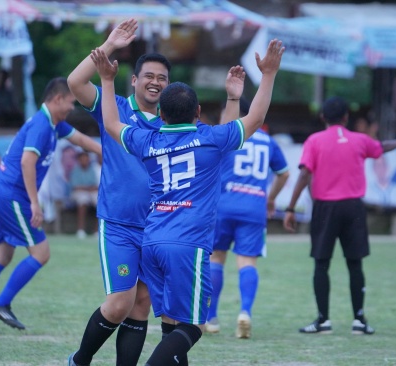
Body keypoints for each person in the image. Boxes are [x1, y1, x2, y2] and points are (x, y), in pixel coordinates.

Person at [90, 36, 284, 364]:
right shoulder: (209, 139)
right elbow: (254, 120)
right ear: (197, 112)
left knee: (172, 325)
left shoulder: (147, 140)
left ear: (161, 114)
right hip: (188, 245)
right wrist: (267, 75)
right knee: (193, 327)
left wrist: (107, 80)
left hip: (151, 242)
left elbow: (110, 123)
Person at [0, 77, 102, 333]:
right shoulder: (41, 126)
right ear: (57, 99)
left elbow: (79, 139)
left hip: (0, 194)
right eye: (70, 102)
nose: (71, 108)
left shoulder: (52, 123)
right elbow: (27, 162)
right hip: (13, 197)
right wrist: (35, 203)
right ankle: (1, 304)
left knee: (2, 255)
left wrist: (108, 151)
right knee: (41, 253)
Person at [66, 18, 168, 366]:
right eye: (149, 76)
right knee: (120, 302)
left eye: (162, 79)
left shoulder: (172, 124)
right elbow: (75, 82)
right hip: (119, 223)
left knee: (142, 303)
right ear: (135, 80)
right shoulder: (116, 106)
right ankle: (79, 360)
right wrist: (109, 45)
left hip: (156, 228)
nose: (155, 83)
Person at [283, 96, 396, 335]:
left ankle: (323, 320)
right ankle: (359, 320)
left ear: (323, 117)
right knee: (355, 264)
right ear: (346, 118)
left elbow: (304, 175)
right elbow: (381, 147)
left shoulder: (314, 141)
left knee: (321, 263)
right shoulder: (360, 140)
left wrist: (291, 208)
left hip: (326, 208)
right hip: (354, 207)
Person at [205, 97, 290, 339]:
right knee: (247, 263)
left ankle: (211, 318)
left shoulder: (227, 136)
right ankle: (245, 312)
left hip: (223, 206)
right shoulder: (268, 140)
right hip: (254, 208)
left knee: (217, 259)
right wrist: (270, 198)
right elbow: (284, 174)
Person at [69, 151, 98, 239]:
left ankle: (96, 230)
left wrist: (86, 188)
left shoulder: (92, 169)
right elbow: (75, 187)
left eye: (86, 159)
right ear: (79, 160)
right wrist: (87, 188)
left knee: (100, 202)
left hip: (90, 192)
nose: (85, 160)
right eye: (82, 159)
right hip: (78, 193)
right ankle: (80, 230)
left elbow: (94, 185)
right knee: (83, 200)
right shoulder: (75, 170)